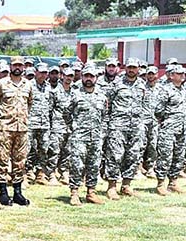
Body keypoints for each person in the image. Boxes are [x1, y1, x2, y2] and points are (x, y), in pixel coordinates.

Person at [0, 56, 33, 206]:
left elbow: (29, 104)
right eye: (15, 65)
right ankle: (3, 192)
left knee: (20, 161)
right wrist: (0, 121)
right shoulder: (1, 84)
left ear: (23, 68)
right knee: (3, 160)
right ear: (10, 66)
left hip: (21, 128)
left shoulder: (28, 85)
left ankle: (17, 192)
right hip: (5, 128)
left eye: (20, 65)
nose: (18, 68)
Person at [102, 58, 147, 199]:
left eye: (134, 67)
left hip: (136, 126)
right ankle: (112, 186)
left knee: (134, 155)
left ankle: (126, 184)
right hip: (118, 125)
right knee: (115, 155)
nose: (131, 70)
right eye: (129, 67)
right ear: (125, 68)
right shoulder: (116, 83)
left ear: (139, 69)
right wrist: (108, 123)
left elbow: (144, 104)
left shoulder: (142, 84)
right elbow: (107, 105)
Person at [67, 65, 107, 206]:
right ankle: (74, 193)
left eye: (91, 76)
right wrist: (74, 127)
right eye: (86, 76)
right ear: (82, 77)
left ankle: (91, 192)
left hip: (96, 136)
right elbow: (67, 113)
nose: (89, 79)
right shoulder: (75, 94)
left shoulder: (102, 96)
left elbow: (104, 116)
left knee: (94, 165)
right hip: (79, 136)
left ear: (96, 78)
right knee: (77, 165)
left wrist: (101, 132)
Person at [153, 65, 186, 195]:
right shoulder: (165, 90)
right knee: (165, 155)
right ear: (171, 75)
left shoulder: (184, 90)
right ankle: (160, 183)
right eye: (179, 73)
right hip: (169, 128)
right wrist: (167, 121)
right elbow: (158, 110)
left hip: (182, 128)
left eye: (183, 73)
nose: (183, 75)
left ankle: (173, 182)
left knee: (179, 155)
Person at [28, 63, 53, 184]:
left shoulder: (49, 87)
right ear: (36, 72)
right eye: (41, 72)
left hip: (44, 124)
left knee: (43, 148)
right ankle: (25, 173)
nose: (43, 75)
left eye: (45, 73)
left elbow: (51, 105)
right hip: (30, 123)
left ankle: (40, 173)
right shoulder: (28, 85)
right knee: (28, 149)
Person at [140, 66, 162, 178]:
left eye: (153, 74)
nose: (151, 76)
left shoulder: (161, 89)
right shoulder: (142, 88)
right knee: (141, 144)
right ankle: (138, 168)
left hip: (155, 121)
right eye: (149, 74)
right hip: (143, 120)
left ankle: (150, 168)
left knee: (153, 145)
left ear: (157, 74)